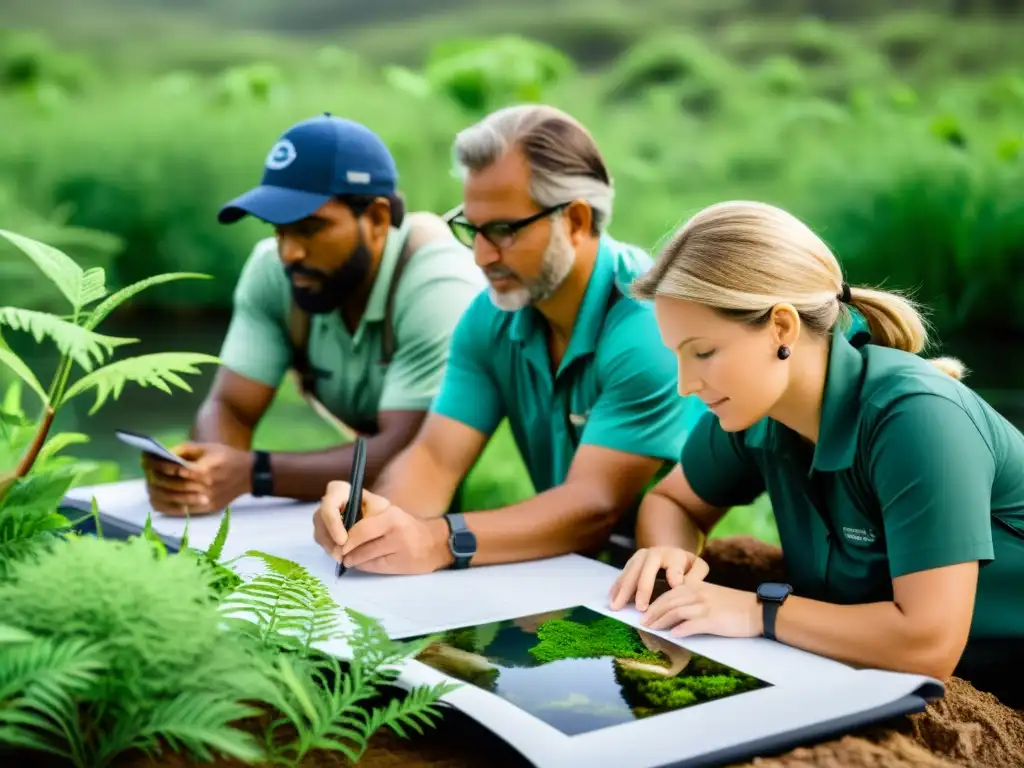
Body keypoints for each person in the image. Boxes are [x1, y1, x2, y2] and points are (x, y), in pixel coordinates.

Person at [607, 200, 1024, 708]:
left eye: (703, 352)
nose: (685, 384)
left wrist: (756, 611)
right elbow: (672, 503)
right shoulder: (751, 410)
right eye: (678, 355)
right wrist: (671, 553)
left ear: (781, 328)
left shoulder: (916, 418)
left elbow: (927, 645)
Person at [311, 104, 708, 575]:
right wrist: (375, 519)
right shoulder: (491, 315)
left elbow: (595, 506)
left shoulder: (648, 326)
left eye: (502, 231)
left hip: (675, 575)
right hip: (575, 568)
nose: (480, 256)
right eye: (472, 228)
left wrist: (438, 540)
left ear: (576, 221)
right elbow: (435, 458)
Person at [141, 114, 486, 516]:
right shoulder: (273, 271)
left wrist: (253, 474)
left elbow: (411, 454)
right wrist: (205, 471)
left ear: (375, 220)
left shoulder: (439, 284)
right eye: (278, 229)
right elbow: (231, 407)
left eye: (309, 228)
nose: (289, 253)